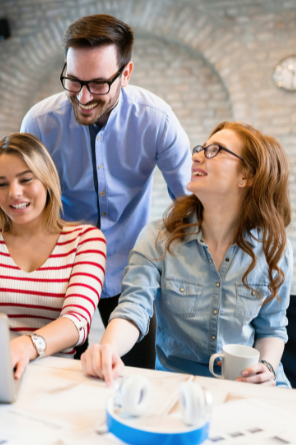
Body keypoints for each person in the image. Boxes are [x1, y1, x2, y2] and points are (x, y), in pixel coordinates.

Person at [21, 14, 191, 366]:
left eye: (98, 84)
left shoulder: (156, 120)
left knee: (139, 371)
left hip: (130, 269)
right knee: (50, 367)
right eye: (73, 80)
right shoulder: (39, 122)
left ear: (125, 74)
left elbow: (189, 202)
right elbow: (25, 205)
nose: (82, 97)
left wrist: (174, 268)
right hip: (61, 268)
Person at [81, 121, 292, 388]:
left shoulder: (275, 247)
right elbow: (133, 309)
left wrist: (267, 369)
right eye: (201, 148)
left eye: (216, 150)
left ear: (246, 176)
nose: (196, 156)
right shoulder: (158, 238)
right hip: (180, 384)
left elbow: (272, 328)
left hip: (253, 386)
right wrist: (108, 349)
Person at [0, 133, 107, 379]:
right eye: (2, 184)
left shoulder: (86, 240)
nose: (14, 193)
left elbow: (77, 321)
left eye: (26, 180)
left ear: (47, 180)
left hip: (57, 375)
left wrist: (27, 345)